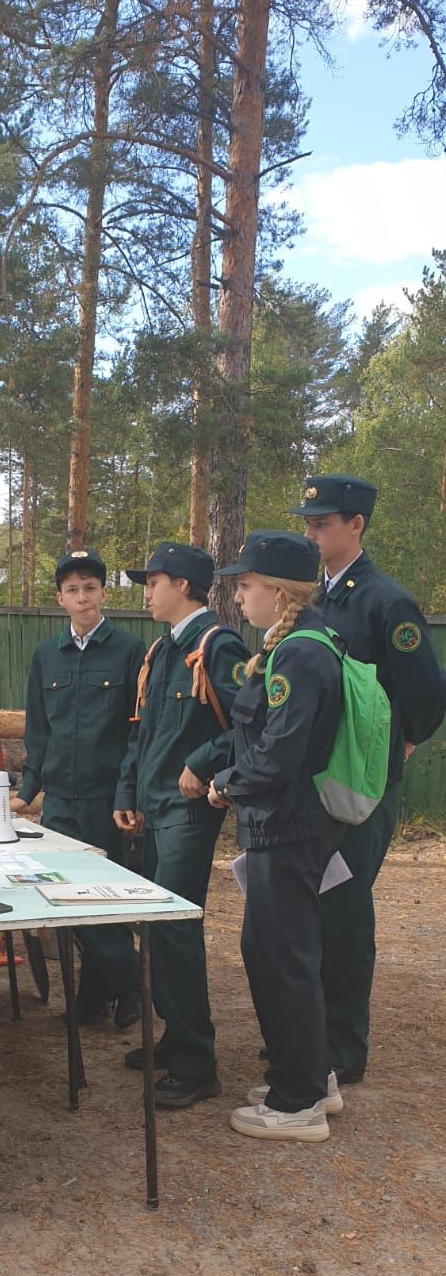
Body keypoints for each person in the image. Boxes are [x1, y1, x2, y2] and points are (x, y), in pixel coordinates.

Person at [287, 475, 446, 1083]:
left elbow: (427, 696)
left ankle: (341, 1047)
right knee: (312, 906)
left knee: (345, 911)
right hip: (313, 781)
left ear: (356, 525)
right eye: (308, 522)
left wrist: (398, 745)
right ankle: (308, 1032)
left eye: (322, 522)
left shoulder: (385, 602)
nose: (311, 531)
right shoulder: (312, 599)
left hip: (360, 788)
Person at [208, 532, 345, 1143]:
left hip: (287, 826)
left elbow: (277, 755)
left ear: (278, 591)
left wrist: (225, 784)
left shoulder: (298, 656)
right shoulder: (297, 645)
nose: (238, 597)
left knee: (281, 957)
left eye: (245, 585)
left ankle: (299, 1103)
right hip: (284, 824)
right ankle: (309, 1073)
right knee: (278, 953)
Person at [113, 542, 248, 1109]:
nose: (146, 590)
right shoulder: (164, 649)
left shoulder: (217, 646)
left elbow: (255, 722)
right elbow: (144, 732)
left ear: (187, 586)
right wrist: (128, 789)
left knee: (174, 928)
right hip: (155, 809)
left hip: (190, 812)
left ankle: (197, 1064)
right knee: (158, 926)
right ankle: (176, 1037)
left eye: (155, 581)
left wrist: (204, 763)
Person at [10, 548, 145, 1027]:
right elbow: (38, 729)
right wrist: (28, 789)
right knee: (64, 902)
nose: (82, 596)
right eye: (72, 589)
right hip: (59, 805)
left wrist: (129, 795)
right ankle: (105, 991)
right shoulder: (47, 655)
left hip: (106, 801)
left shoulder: (130, 651)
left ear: (104, 594)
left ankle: (125, 987)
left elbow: (137, 730)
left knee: (103, 900)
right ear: (60, 599)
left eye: (90, 587)